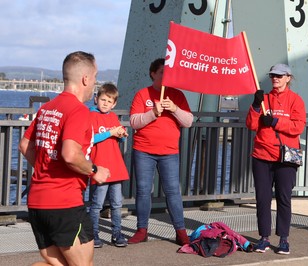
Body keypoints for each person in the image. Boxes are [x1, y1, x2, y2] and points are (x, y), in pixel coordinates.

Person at [18, 51, 110, 266]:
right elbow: (70, 154)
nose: (95, 82)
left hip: (38, 203)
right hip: (64, 203)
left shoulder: (47, 108)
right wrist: (95, 171)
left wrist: (46, 167)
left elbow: (24, 145)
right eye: (95, 77)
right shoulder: (78, 110)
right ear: (86, 79)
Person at [128, 58, 193, 246]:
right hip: (143, 150)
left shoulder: (177, 95)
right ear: (153, 74)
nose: (166, 76)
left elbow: (188, 121)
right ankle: (142, 230)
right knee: (143, 191)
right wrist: (152, 113)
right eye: (162, 72)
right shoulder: (142, 94)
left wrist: (174, 109)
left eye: (168, 72)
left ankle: (180, 232)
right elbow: (134, 122)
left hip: (169, 151)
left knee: (173, 192)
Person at [246, 63, 306, 255]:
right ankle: (264, 238)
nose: (275, 78)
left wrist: (275, 122)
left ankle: (284, 239)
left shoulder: (296, 100)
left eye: (280, 76)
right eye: (273, 75)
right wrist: (255, 106)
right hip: (262, 156)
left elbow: (298, 127)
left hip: (285, 157)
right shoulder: (263, 99)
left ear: (288, 78)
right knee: (262, 199)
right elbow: (250, 124)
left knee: (284, 198)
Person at [89, 83, 129, 248]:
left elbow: (119, 139)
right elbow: (91, 138)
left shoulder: (113, 117)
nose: (105, 103)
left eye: (109, 101)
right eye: (103, 100)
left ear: (114, 104)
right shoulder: (91, 116)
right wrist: (110, 133)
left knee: (117, 204)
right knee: (97, 204)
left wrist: (122, 135)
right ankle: (93, 234)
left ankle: (117, 233)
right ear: (96, 99)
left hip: (115, 166)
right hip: (99, 166)